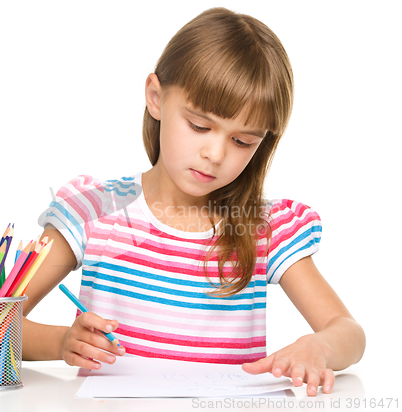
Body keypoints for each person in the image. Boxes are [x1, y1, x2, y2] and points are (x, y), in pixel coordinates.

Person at [22, 7, 365, 397]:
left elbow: (349, 332)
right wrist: (62, 342)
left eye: (242, 141)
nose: (216, 153)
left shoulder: (264, 228)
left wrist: (318, 346)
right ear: (155, 97)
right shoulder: (96, 209)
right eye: (200, 126)